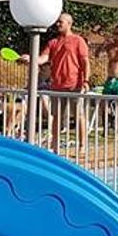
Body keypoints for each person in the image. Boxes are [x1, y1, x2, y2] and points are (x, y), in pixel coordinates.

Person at [20, 13, 90, 152]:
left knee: (78, 114)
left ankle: (82, 145)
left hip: (74, 85)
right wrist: (31, 58)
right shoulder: (53, 42)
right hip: (57, 85)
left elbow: (85, 62)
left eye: (60, 22)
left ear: (69, 23)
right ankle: (55, 145)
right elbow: (42, 58)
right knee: (56, 116)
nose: (57, 24)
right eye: (57, 22)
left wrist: (86, 81)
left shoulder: (78, 40)